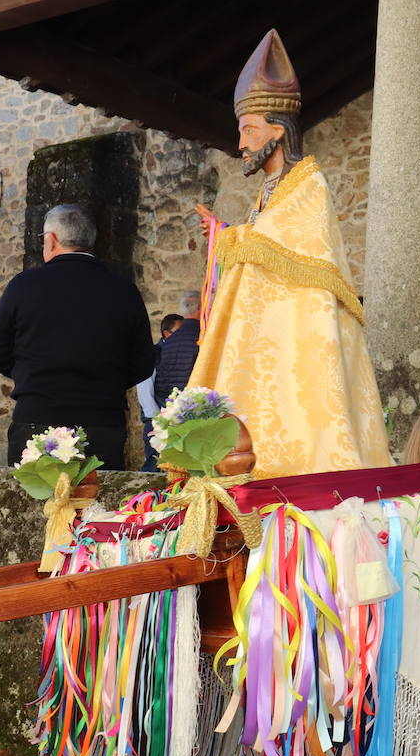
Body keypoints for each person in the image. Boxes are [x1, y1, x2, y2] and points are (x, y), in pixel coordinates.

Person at [190, 29, 389, 477]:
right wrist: (224, 231)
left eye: (249, 130)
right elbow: (264, 237)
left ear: (277, 132)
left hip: (302, 325)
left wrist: (230, 236)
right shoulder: (267, 191)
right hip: (272, 329)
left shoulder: (308, 183)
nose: (241, 143)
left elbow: (284, 241)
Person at [0, 204, 156, 469]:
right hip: (103, 421)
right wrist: (106, 383)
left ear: (51, 240)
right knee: (98, 508)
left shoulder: (24, 286)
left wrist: (31, 375)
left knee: (35, 507)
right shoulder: (123, 290)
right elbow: (144, 361)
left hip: (37, 417)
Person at [137, 313, 184, 471]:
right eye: (180, 332)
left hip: (175, 421)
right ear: (166, 333)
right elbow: (145, 389)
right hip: (156, 421)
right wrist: (157, 420)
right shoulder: (154, 354)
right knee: (154, 466)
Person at [153, 292, 201, 409]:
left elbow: (161, 383)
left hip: (175, 409)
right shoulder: (202, 338)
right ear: (201, 308)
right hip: (199, 406)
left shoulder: (167, 343)